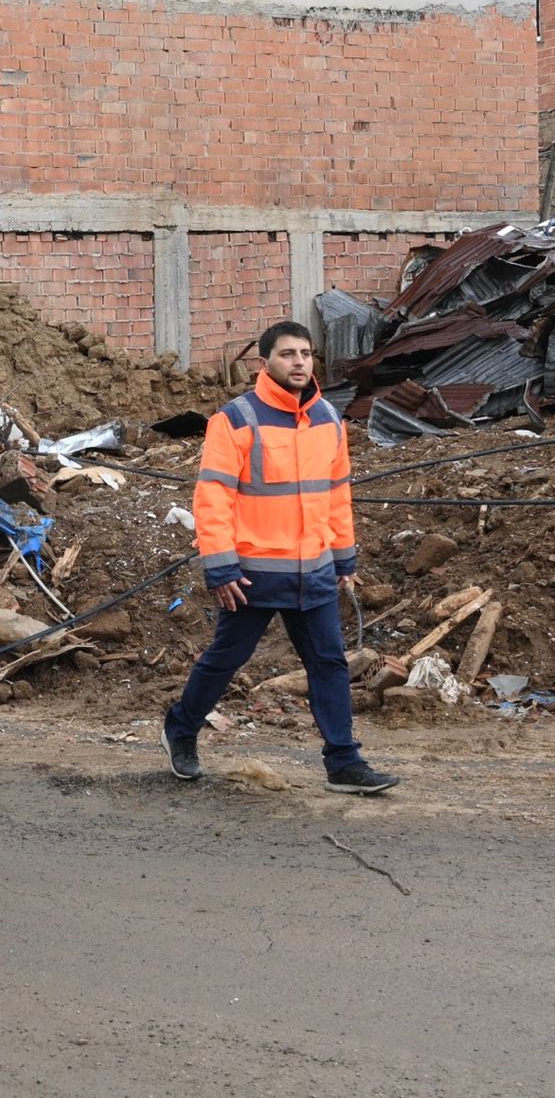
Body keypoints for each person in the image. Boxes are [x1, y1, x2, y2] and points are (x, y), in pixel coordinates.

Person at [164, 321, 399, 796]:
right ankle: (182, 728)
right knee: (226, 660)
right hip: (251, 575)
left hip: (313, 571)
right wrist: (221, 567)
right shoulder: (234, 420)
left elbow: (336, 496)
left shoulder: (328, 419)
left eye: (306, 354)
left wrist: (344, 559)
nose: (299, 363)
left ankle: (344, 762)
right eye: (288, 354)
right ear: (264, 362)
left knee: (329, 663)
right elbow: (213, 498)